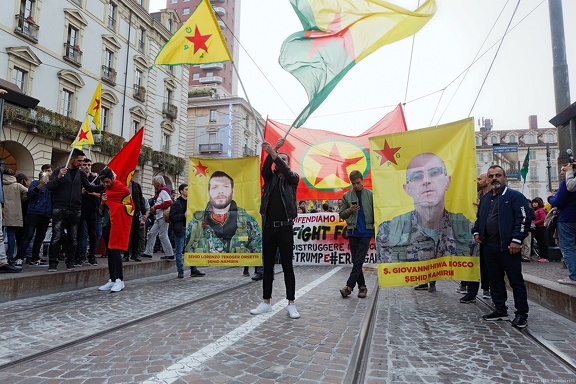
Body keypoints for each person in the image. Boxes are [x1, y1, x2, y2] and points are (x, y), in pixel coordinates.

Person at [376, 153, 471, 292]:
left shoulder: (467, 228)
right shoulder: (387, 232)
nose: (426, 180)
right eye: (417, 176)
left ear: (447, 181)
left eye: (434, 172)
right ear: (407, 189)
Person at [472, 165, 531, 328]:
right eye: (491, 176)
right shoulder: (485, 198)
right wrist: (476, 232)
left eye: (498, 175)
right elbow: (479, 219)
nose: (494, 179)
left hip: (509, 247)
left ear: (504, 178)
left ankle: (521, 313)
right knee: (494, 280)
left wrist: (517, 240)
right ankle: (500, 309)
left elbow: (523, 219)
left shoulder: (515, 197)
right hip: (489, 246)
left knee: (515, 280)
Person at [250, 139, 300, 319]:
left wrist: (274, 153)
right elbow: (265, 168)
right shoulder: (269, 179)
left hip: (285, 228)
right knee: (268, 267)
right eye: (279, 158)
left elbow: (286, 171)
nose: (281, 160)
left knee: (288, 266)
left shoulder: (292, 179)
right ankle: (266, 302)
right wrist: (275, 150)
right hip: (269, 228)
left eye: (284, 159)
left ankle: (291, 303)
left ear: (288, 164)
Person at [45, 148, 104, 271]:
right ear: (72, 159)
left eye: (83, 162)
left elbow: (89, 187)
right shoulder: (59, 171)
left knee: (73, 237)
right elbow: (49, 187)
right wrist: (59, 177)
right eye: (79, 161)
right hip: (60, 207)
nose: (81, 164)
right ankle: (53, 263)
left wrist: (104, 185)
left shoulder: (80, 173)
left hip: (75, 209)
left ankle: (70, 262)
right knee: (56, 236)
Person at [186, 171, 261, 255]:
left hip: (236, 268)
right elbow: (187, 249)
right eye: (215, 187)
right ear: (208, 193)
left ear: (233, 192)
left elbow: (257, 252)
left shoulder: (248, 221)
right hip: (207, 267)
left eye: (225, 187)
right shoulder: (196, 222)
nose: (220, 191)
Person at [338, 170, 374, 299]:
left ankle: (349, 287)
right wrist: (350, 210)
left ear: (362, 180)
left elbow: (377, 211)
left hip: (366, 231)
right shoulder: (347, 196)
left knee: (358, 260)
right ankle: (362, 287)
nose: (356, 186)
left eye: (358, 183)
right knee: (356, 261)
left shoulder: (370, 195)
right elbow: (341, 214)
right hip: (353, 232)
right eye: (353, 184)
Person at [97, 168, 132, 292]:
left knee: (115, 250)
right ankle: (112, 279)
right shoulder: (107, 191)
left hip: (117, 223)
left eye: (107, 181)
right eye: (103, 183)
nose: (105, 184)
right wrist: (102, 202)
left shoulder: (122, 189)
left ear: (112, 178)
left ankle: (119, 279)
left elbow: (130, 206)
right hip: (107, 222)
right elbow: (101, 209)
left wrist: (113, 204)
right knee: (109, 251)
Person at [460, 173, 491, 303]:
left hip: (490, 235)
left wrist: (482, 207)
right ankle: (471, 292)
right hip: (475, 234)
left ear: (488, 181)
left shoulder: (494, 196)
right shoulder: (475, 195)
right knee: (473, 263)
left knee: (488, 265)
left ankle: (487, 289)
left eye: (480, 179)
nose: (477, 181)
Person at [16, 165, 53, 266]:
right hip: (33, 213)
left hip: (45, 215)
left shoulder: (51, 186)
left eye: (50, 171)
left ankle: (35, 258)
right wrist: (40, 185)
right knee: (28, 235)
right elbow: (30, 194)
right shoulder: (35, 183)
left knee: (40, 237)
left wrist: (51, 214)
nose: (48, 173)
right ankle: (20, 257)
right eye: (46, 172)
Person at [548, 163, 576, 286]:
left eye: (564, 170)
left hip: (567, 218)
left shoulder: (566, 184)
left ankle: (573, 276)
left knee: (568, 248)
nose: (561, 173)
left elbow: (558, 202)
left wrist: (550, 198)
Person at [169, 183, 204, 278]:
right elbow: (171, 217)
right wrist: (183, 215)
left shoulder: (191, 203)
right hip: (181, 229)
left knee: (191, 250)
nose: (188, 191)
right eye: (186, 189)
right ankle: (180, 270)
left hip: (190, 229)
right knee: (179, 251)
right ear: (181, 191)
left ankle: (193, 269)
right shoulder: (176, 203)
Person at [74, 158, 101, 267]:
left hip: (93, 210)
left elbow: (101, 194)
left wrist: (91, 192)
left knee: (94, 234)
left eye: (89, 165)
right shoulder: (78, 177)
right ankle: (80, 256)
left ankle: (92, 256)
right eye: (84, 164)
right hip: (80, 209)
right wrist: (81, 192)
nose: (86, 167)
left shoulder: (95, 179)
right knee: (81, 234)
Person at [140, 175, 174, 260]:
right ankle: (148, 252)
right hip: (160, 216)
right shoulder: (161, 191)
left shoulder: (162, 191)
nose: (153, 184)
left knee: (162, 235)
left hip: (162, 215)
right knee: (152, 233)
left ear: (157, 183)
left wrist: (156, 207)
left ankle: (169, 253)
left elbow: (169, 202)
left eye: (154, 182)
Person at [3, 169, 28, 267]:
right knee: (11, 235)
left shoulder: (1, 184)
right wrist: (20, 200)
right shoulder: (17, 185)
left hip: (2, 211)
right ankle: (10, 257)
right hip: (14, 213)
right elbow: (28, 192)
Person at [123, 180, 148, 262]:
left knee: (136, 234)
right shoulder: (122, 184)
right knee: (127, 234)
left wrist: (143, 212)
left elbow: (141, 199)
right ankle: (125, 254)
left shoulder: (136, 185)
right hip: (125, 213)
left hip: (135, 213)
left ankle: (134, 254)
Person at [531, 197, 549, 262]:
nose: (534, 204)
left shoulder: (540, 210)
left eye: (536, 202)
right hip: (537, 228)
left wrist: (534, 223)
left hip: (540, 228)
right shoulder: (536, 210)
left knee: (542, 242)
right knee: (540, 242)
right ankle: (542, 256)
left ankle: (544, 256)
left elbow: (543, 219)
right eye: (533, 202)